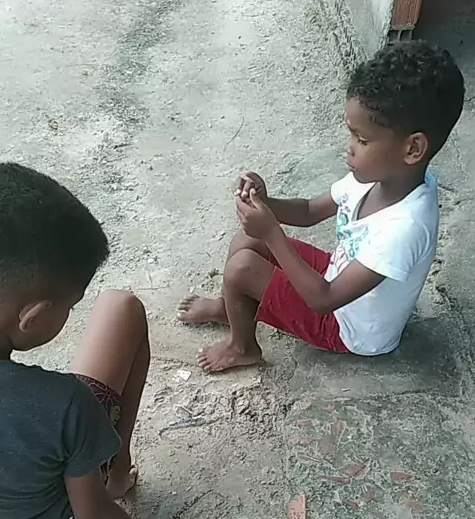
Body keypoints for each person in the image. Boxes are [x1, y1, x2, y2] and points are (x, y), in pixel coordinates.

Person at [177, 40, 465, 371]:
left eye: (362, 140)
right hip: (336, 278)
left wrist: (271, 232)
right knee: (247, 240)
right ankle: (231, 308)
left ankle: (242, 347)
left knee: (242, 268)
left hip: (349, 328)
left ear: (412, 149)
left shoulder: (406, 228)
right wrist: (266, 201)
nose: (350, 148)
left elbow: (324, 300)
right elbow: (310, 211)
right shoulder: (383, 175)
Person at [0, 163, 172, 519]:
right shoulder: (63, 402)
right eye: (70, 306)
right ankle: (117, 469)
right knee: (121, 307)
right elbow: (93, 515)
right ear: (32, 317)